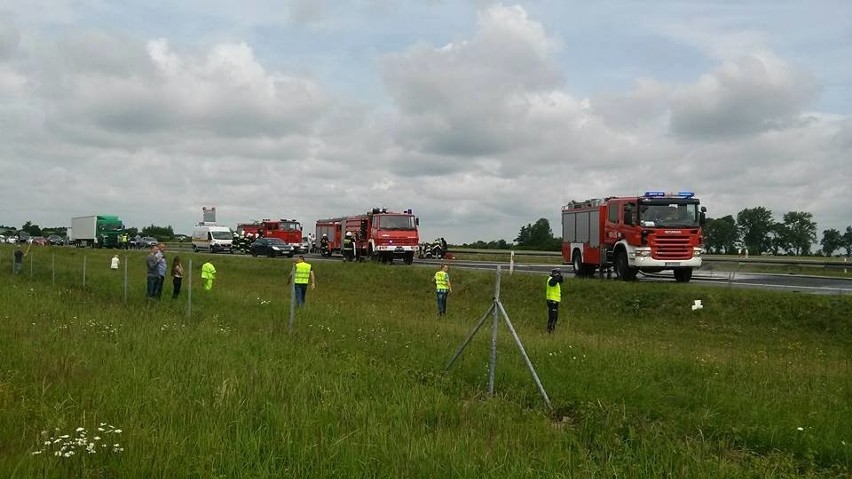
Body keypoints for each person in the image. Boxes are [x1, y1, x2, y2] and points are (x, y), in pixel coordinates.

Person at [546, 268, 563, 333]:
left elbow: (560, 281)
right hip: (551, 300)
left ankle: (552, 328)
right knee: (552, 315)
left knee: (555, 315)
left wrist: (560, 277)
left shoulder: (556, 280)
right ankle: (550, 329)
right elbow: (552, 283)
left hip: (555, 300)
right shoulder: (551, 280)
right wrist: (557, 277)